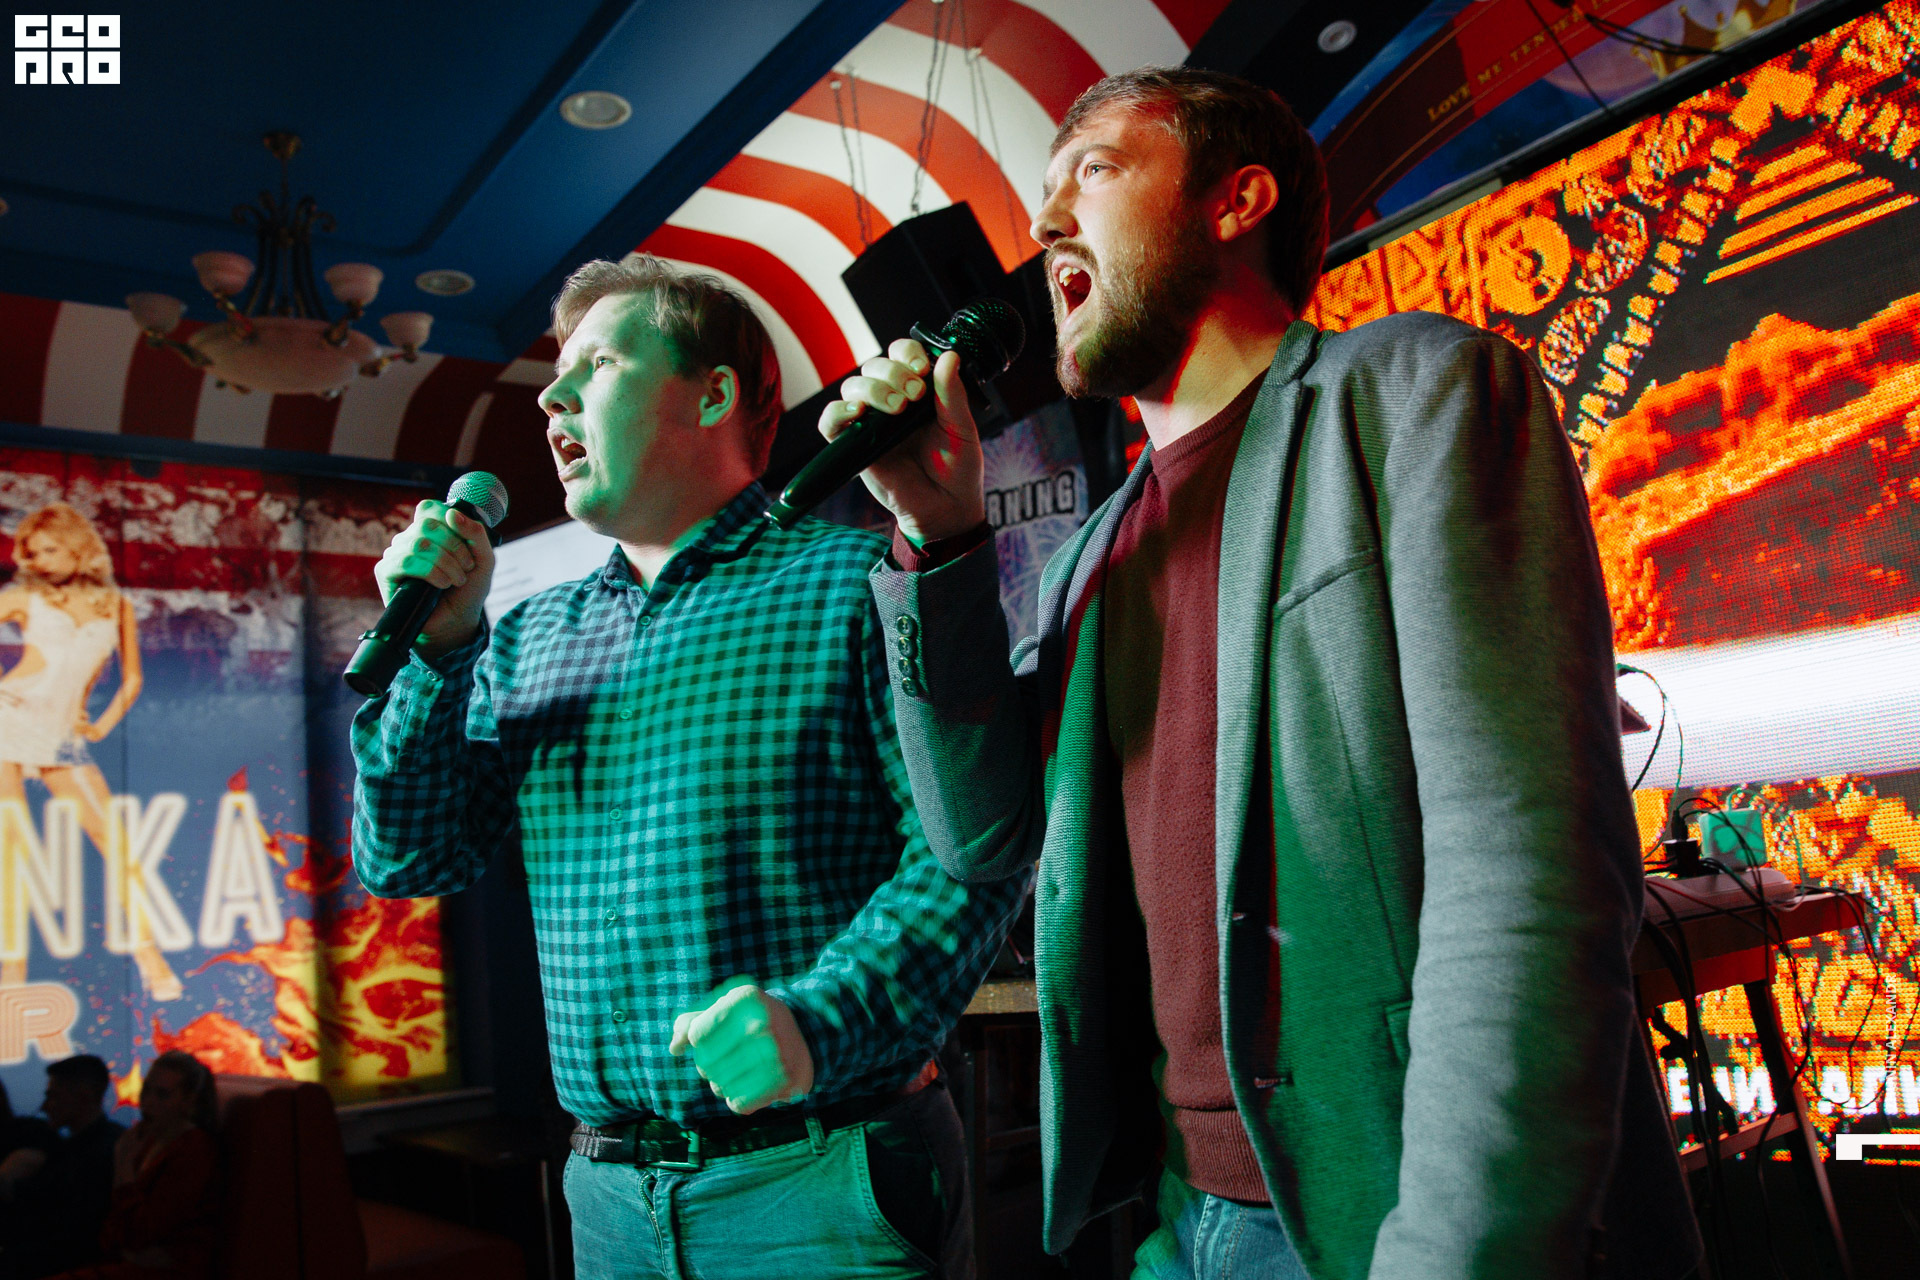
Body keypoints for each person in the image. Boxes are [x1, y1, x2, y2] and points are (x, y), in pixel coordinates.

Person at [829, 68, 1701, 1279]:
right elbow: (983, 835)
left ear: (1237, 201)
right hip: (1175, 1217)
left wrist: (1459, 1248)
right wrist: (939, 537)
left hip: (1400, 1210)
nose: (1043, 223)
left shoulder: (1411, 391)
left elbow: (1523, 865)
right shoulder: (1089, 561)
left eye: (1094, 169)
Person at [350, 256, 1026, 1280]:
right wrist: (437, 657)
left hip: (820, 1176)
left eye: (597, 365)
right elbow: (409, 858)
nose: (551, 398)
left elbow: (971, 859)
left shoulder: (857, 584)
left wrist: (817, 1019)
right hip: (607, 1195)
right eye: (555, 376)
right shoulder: (525, 641)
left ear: (712, 395)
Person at [0, 504, 179, 1001]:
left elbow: (133, 679)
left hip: (63, 736)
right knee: (12, 851)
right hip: (8, 721)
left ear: (77, 546)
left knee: (117, 843)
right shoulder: (25, 597)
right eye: (33, 553)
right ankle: (11, 981)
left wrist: (99, 727)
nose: (40, 561)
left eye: (49, 549)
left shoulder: (115, 604)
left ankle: (151, 958)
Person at [38, 1050, 223, 1280]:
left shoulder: (193, 1149)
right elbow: (113, 1235)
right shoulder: (147, 1143)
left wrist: (124, 1168)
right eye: (146, 1091)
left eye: (162, 1095)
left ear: (189, 1101)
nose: (147, 1102)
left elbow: (140, 1233)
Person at [4, 1056, 126, 1277]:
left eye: (54, 1096)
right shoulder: (104, 1145)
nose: (44, 1106)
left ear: (84, 1095)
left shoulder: (103, 1153)